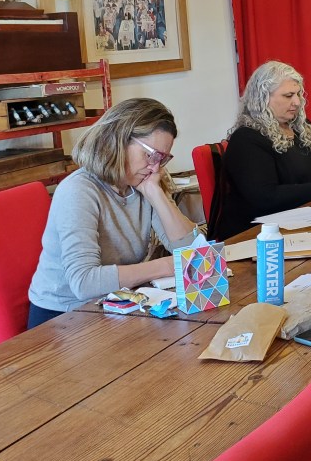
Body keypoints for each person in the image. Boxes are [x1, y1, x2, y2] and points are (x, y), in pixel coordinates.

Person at [27, 98, 197, 328]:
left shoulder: (142, 183)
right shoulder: (78, 190)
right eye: (151, 155)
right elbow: (84, 282)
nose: (155, 167)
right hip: (63, 316)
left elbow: (194, 252)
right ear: (119, 140)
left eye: (162, 159)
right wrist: (165, 266)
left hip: (113, 305)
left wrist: (156, 195)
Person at [214, 61, 311, 240]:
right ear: (263, 98)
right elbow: (266, 198)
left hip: (299, 222)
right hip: (255, 235)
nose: (297, 102)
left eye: (298, 94)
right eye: (288, 95)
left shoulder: (300, 129)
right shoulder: (246, 139)